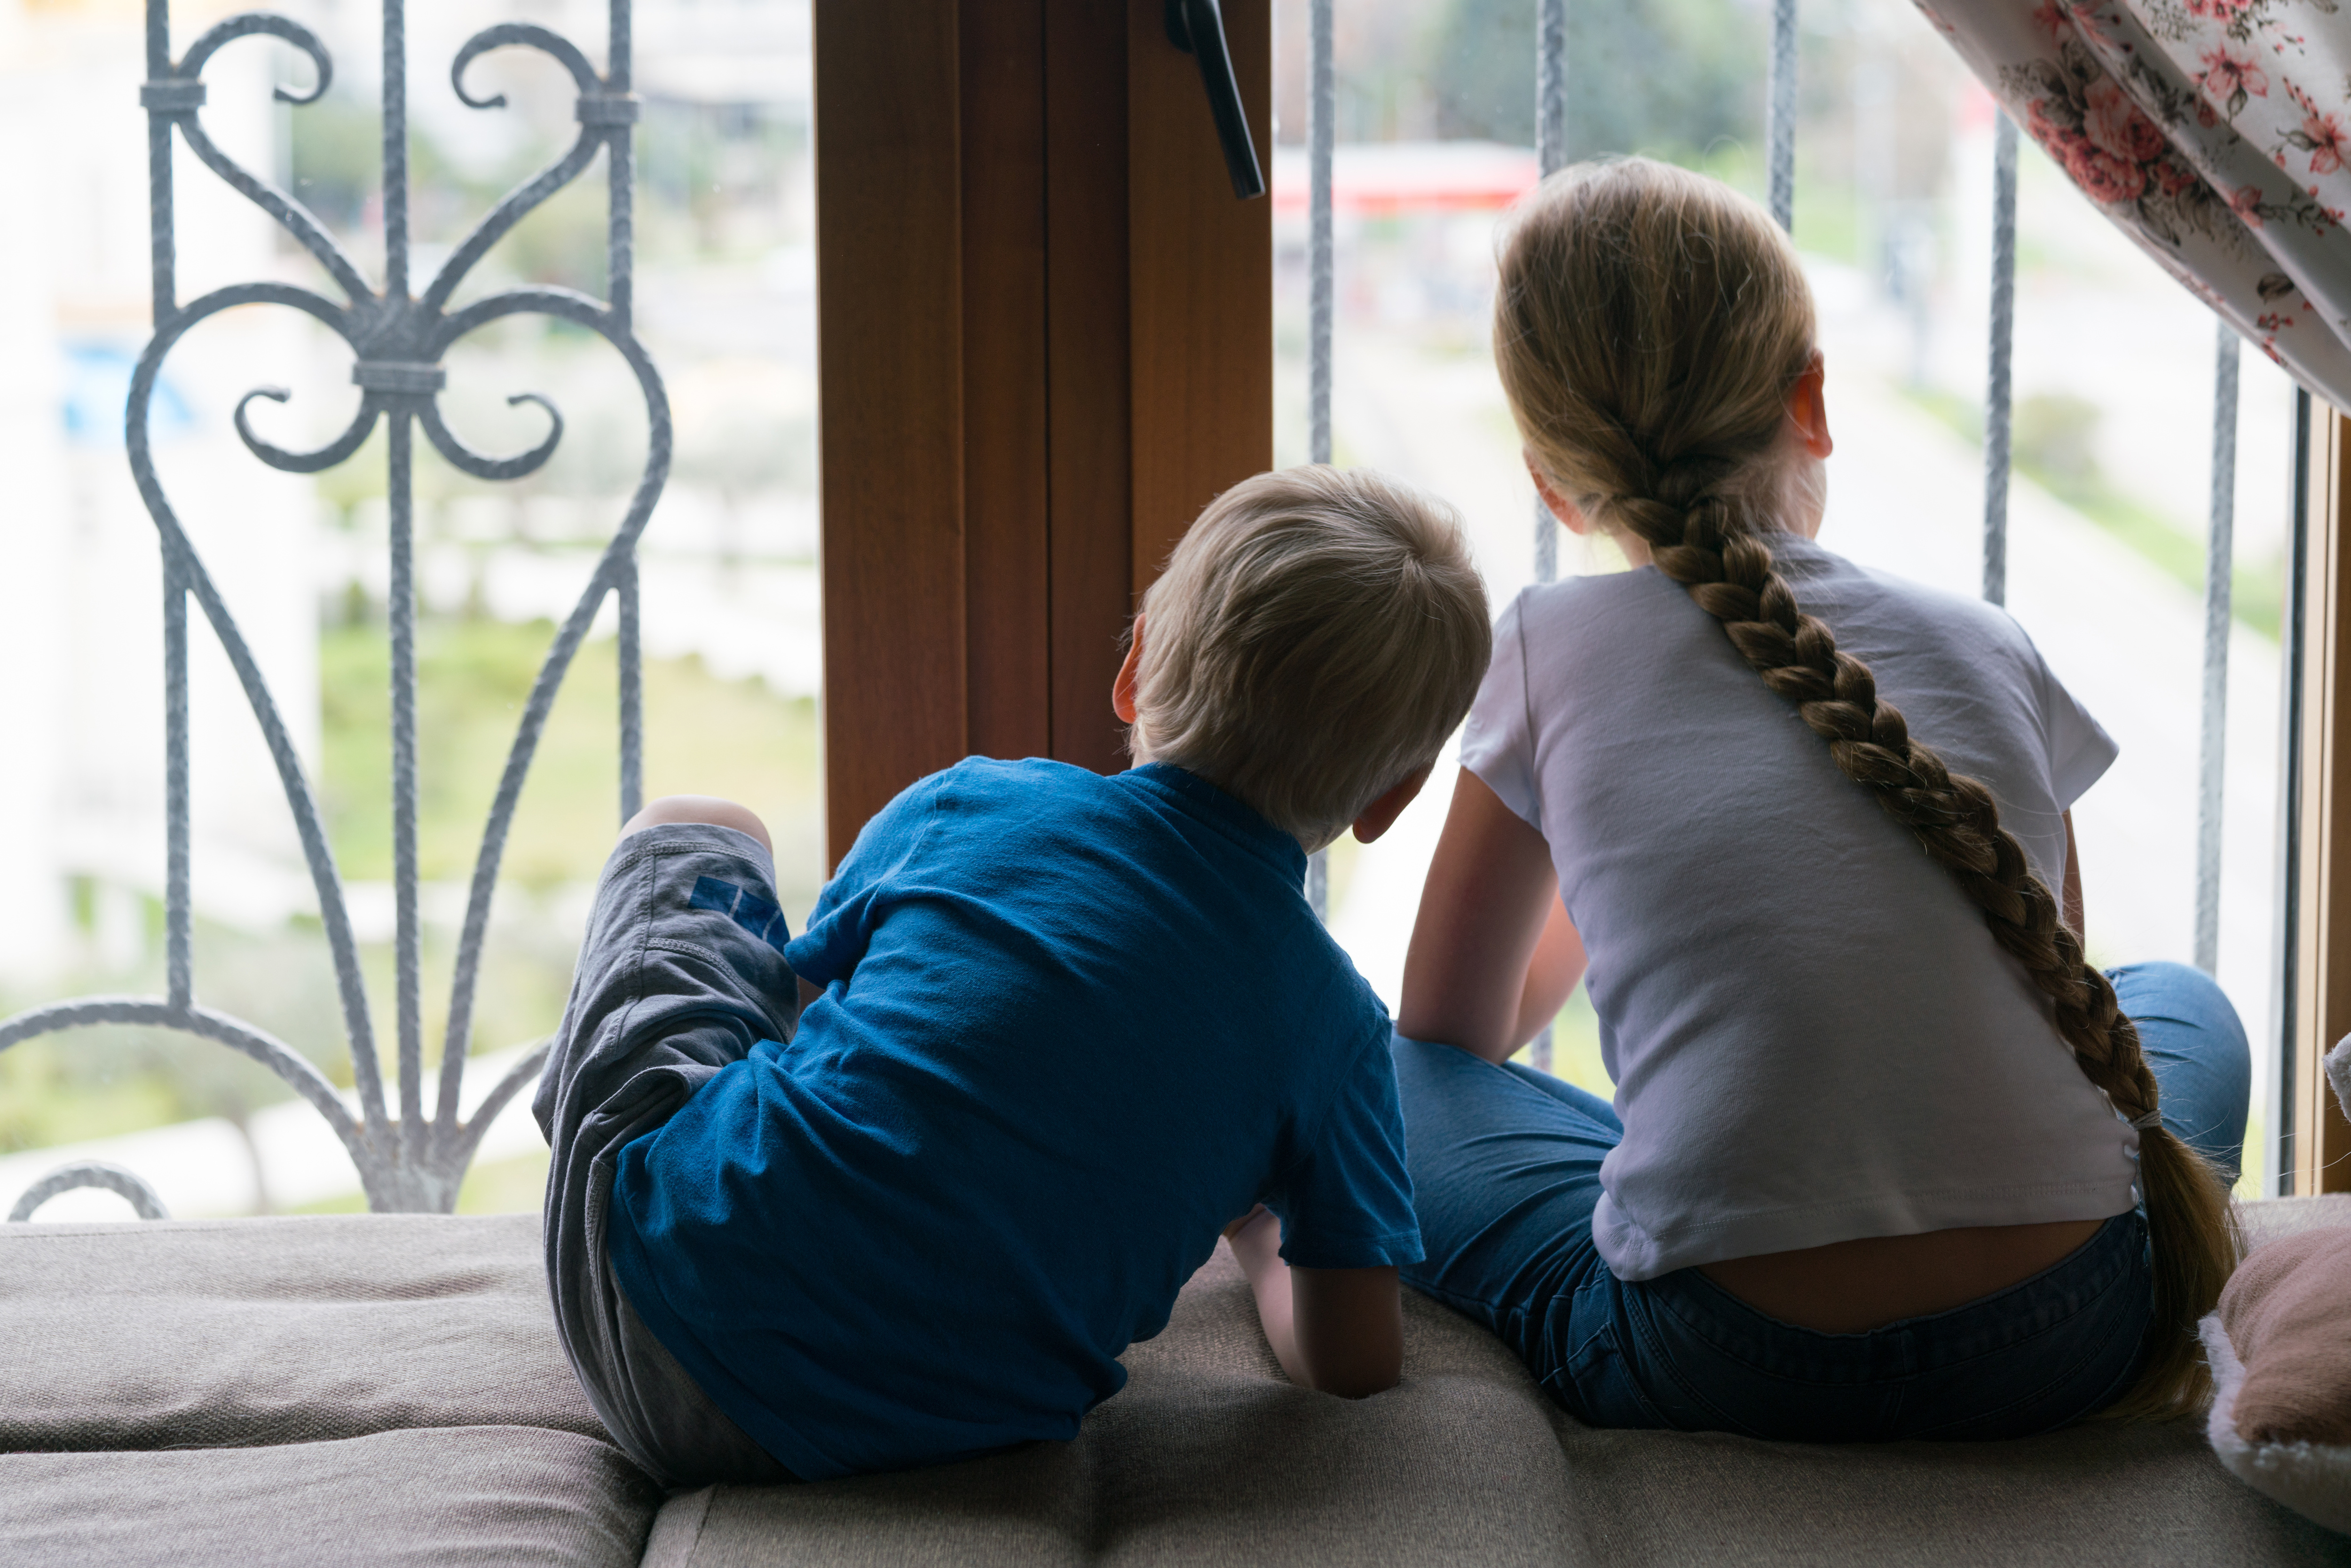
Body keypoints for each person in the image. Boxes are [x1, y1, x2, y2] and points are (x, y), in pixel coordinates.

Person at [1394, 157, 2245, 1442]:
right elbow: (2052, 991)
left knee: (1387, 1079)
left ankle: (1726, 1179)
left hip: (1726, 1357)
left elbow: (1448, 1033)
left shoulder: (1542, 647)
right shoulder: (1990, 643)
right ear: (1813, 401)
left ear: (1548, 478)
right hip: (2076, 1328)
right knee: (2179, 1007)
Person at [535, 465, 1492, 1485]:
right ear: (1393, 798)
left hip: (645, 1287)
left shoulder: (971, 805)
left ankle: (608, 1105)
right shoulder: (1335, 1029)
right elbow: (1354, 1364)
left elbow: (813, 1002)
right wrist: (1262, 1239)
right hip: (927, 1434)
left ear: (1133, 674)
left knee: (702, 826)